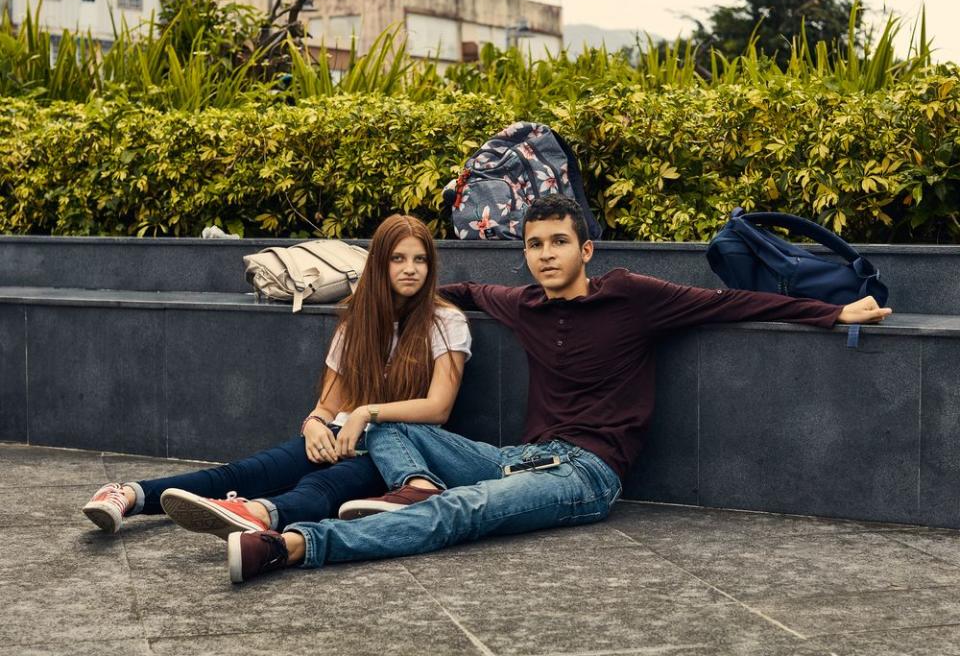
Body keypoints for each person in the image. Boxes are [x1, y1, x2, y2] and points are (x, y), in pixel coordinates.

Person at [222, 195, 892, 583]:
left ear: (586, 251)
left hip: (587, 473)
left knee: (472, 510)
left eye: (558, 243)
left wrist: (832, 312)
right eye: (534, 244)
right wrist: (366, 284)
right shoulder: (521, 303)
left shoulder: (633, 297)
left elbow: (732, 304)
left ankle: (294, 545)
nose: (543, 254)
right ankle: (416, 487)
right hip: (522, 455)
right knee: (391, 424)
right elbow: (444, 291)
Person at [81, 214, 471, 540]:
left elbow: (438, 408)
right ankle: (129, 495)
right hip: (339, 435)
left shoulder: (445, 322)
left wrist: (367, 413)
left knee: (322, 489)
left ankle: (254, 514)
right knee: (244, 471)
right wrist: (316, 424)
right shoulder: (356, 324)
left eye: (420, 260)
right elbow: (328, 404)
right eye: (398, 258)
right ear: (380, 263)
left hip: (394, 451)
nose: (410, 269)